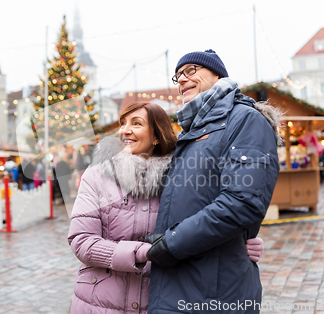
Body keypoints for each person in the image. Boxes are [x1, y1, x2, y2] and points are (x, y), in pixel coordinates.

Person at [67, 101, 265, 314]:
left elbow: (204, 224)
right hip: (99, 303)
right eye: (123, 123)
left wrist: (238, 243)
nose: (126, 130)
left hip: (162, 300)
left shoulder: (181, 178)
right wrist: (142, 252)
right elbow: (82, 241)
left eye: (136, 123)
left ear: (156, 136)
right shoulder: (97, 175)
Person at [145, 49, 281, 313]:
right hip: (183, 281)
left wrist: (171, 244)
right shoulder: (193, 129)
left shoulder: (244, 120)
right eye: (178, 76)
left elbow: (242, 202)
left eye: (191, 70)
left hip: (214, 291)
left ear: (218, 75)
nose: (182, 79)